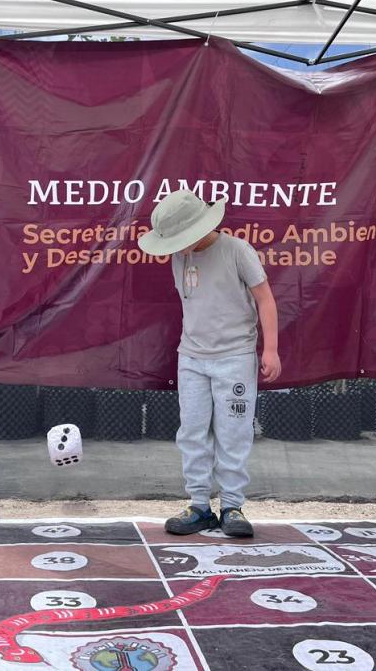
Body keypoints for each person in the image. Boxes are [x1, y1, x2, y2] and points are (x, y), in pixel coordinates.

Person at [138, 189, 281, 537]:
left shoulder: (237, 251)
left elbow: (265, 298)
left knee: (233, 432)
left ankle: (232, 505)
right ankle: (199, 504)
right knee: (192, 430)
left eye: (179, 239)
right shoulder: (179, 258)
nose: (174, 248)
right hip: (191, 357)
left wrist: (271, 349)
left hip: (234, 357)